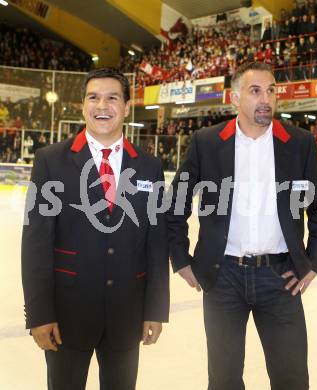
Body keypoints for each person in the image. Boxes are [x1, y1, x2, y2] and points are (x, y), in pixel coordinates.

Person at [166, 62, 317, 390]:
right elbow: (175, 205)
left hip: (281, 278)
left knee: (292, 379)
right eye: (255, 91)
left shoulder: (299, 143)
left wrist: (313, 263)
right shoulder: (207, 142)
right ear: (235, 97)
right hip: (222, 278)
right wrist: (181, 259)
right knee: (225, 380)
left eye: (271, 90)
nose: (265, 99)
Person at [22, 68, 169, 390]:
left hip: (126, 315)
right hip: (65, 316)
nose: (102, 105)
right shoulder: (50, 161)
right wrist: (38, 314)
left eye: (112, 97)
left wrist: (155, 310)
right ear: (83, 105)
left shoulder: (149, 166)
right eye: (94, 97)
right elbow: (35, 243)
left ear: (127, 107)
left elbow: (157, 243)